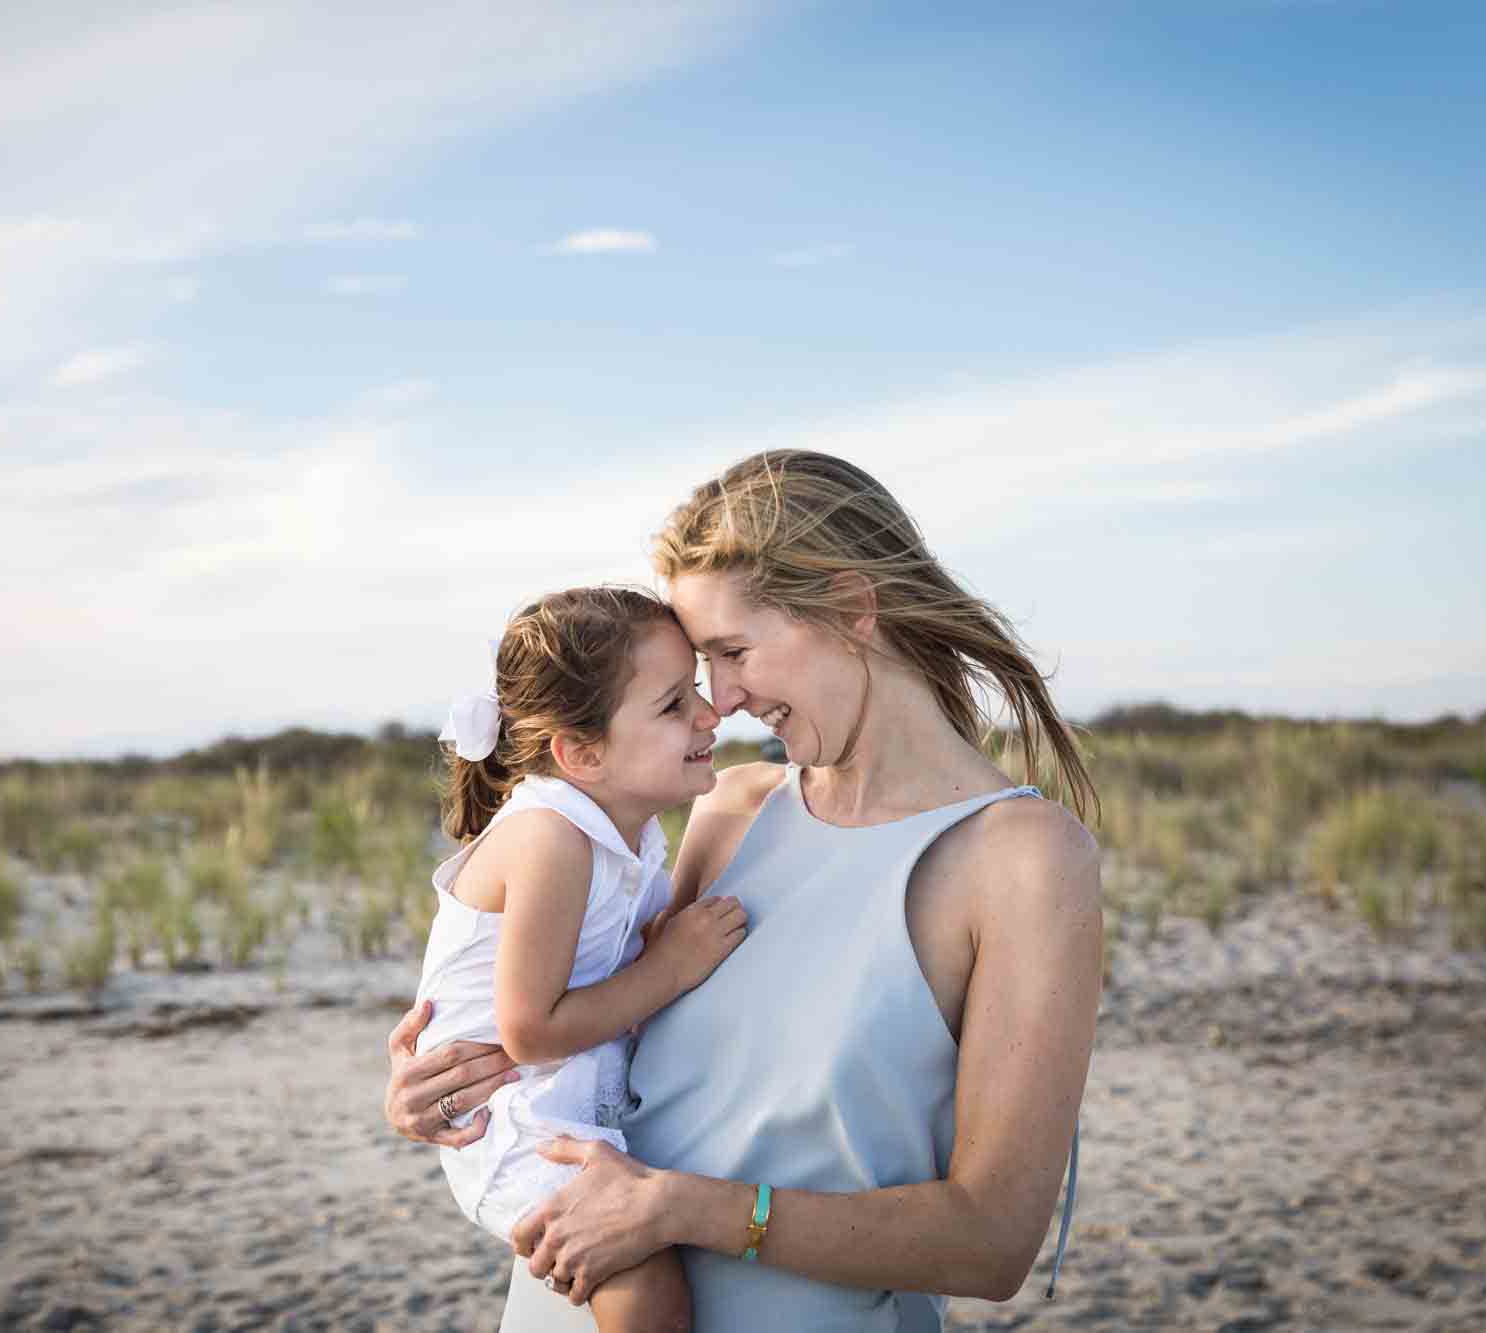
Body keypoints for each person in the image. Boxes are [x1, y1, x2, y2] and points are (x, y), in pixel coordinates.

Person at [386, 450, 1103, 1331]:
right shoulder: (728, 811)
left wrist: (686, 1209)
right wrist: (451, 1085)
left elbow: (992, 1243)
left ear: (850, 608)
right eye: (698, 669)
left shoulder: (1025, 859)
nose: (718, 700)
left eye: (731, 652)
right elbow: (590, 1036)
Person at [415, 585, 751, 1333]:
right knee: (643, 1277)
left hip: (560, 1093)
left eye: (696, 687)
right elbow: (530, 1029)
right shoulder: (551, 839)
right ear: (582, 752)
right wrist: (670, 967)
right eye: (672, 704)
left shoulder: (626, 832)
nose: (709, 714)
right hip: (507, 1119)